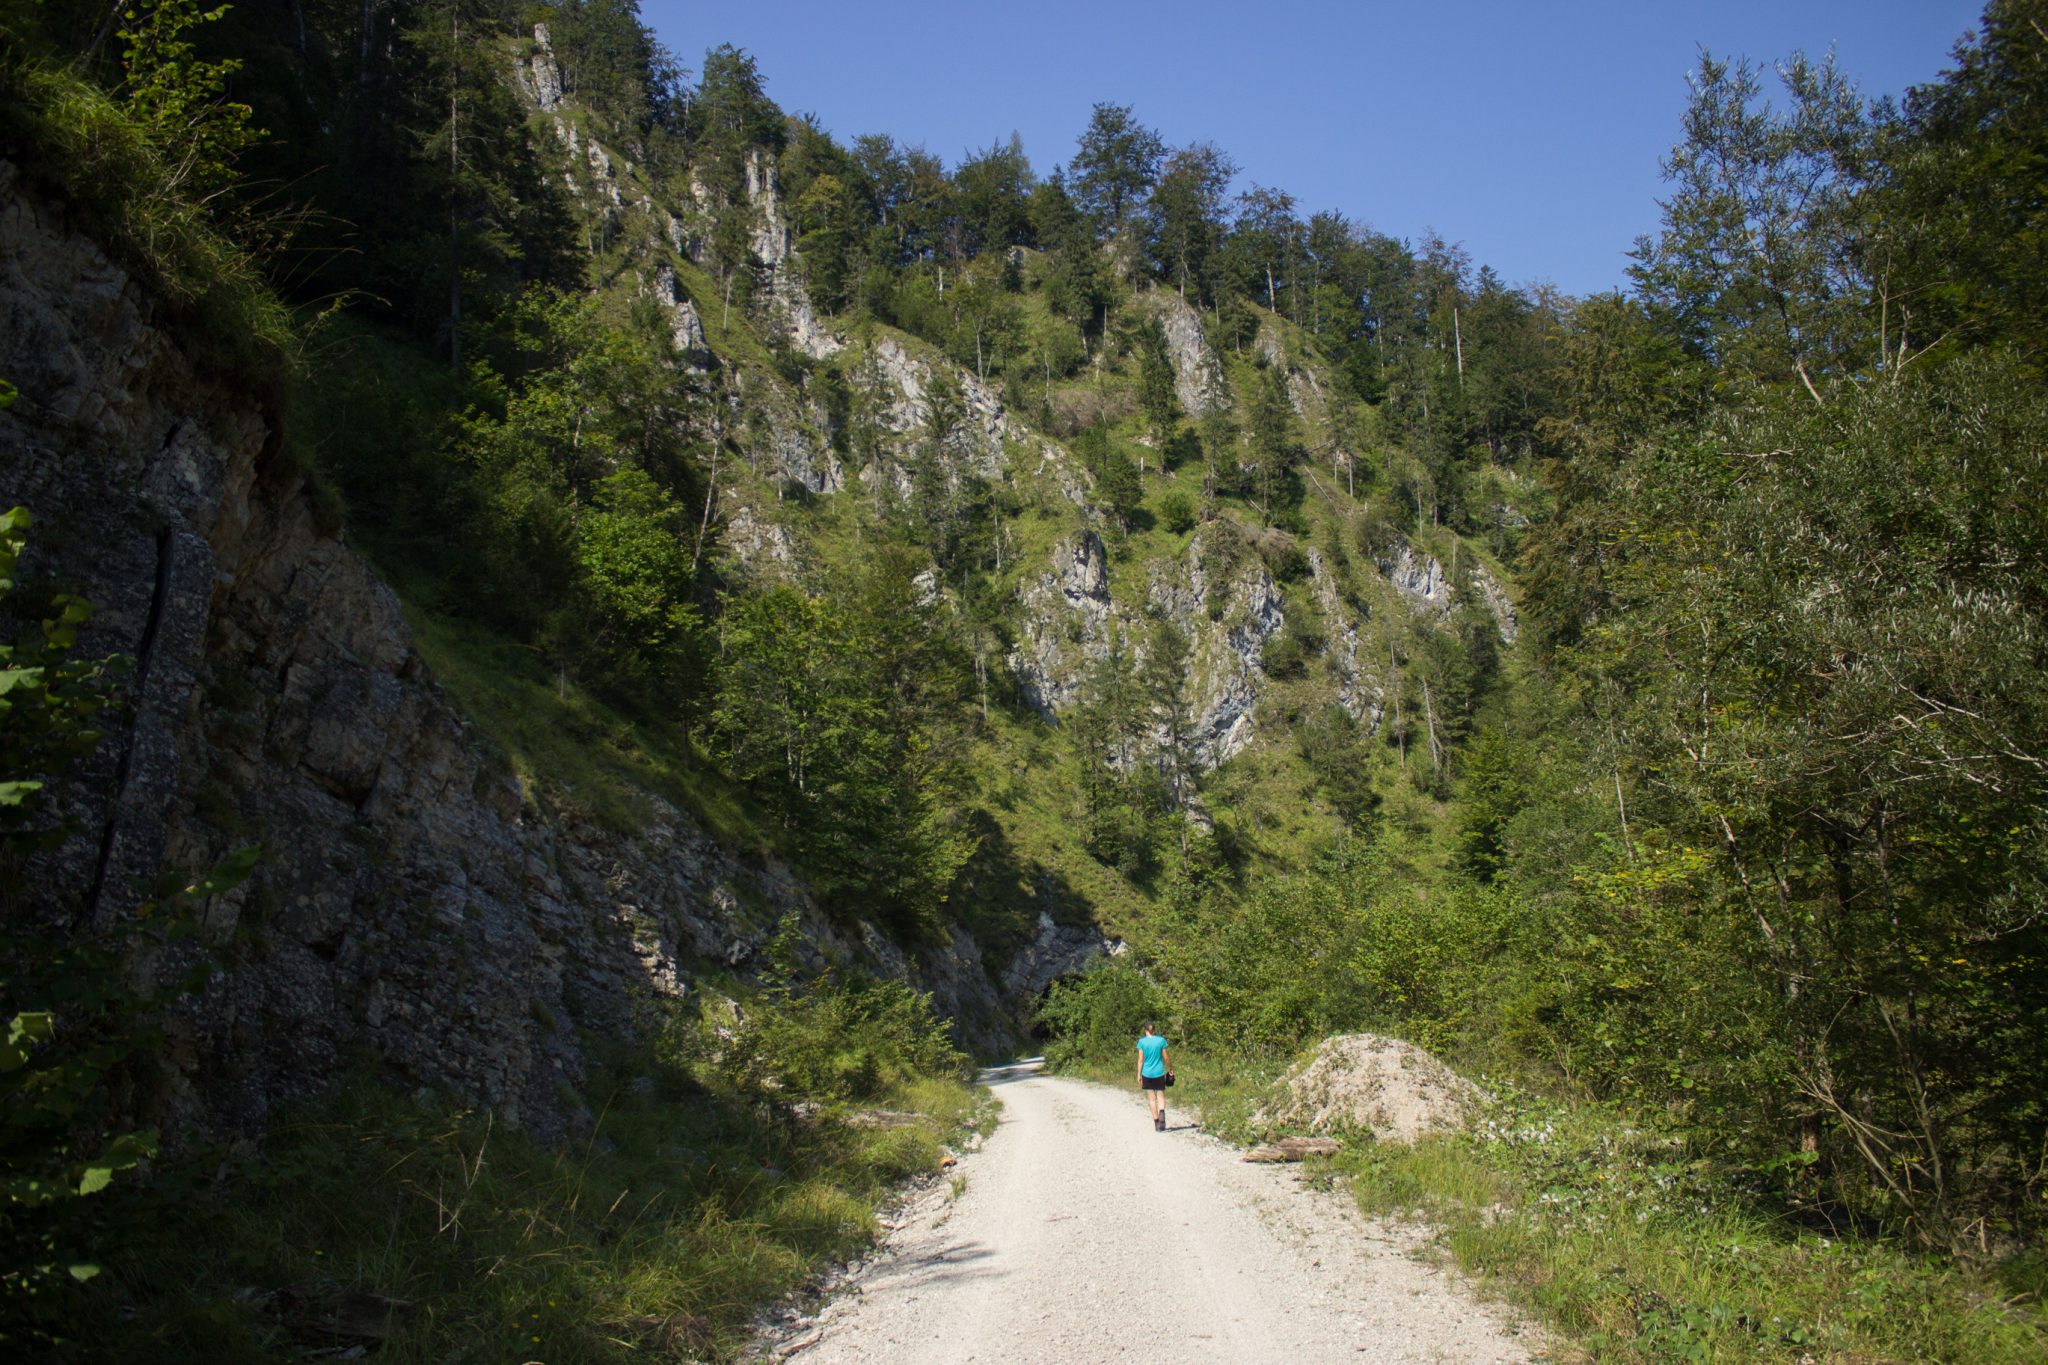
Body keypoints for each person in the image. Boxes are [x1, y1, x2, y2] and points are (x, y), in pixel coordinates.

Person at [1135, 1022, 1173, 1131]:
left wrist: (1139, 1074)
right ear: (1154, 1030)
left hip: (1147, 1073)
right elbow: (1166, 1057)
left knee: (1152, 1099)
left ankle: (1157, 1123)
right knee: (1161, 1096)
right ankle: (1162, 1112)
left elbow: (1141, 1059)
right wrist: (1170, 1068)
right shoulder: (1161, 1040)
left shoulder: (1142, 1042)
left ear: (1145, 1030)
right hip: (1159, 1072)